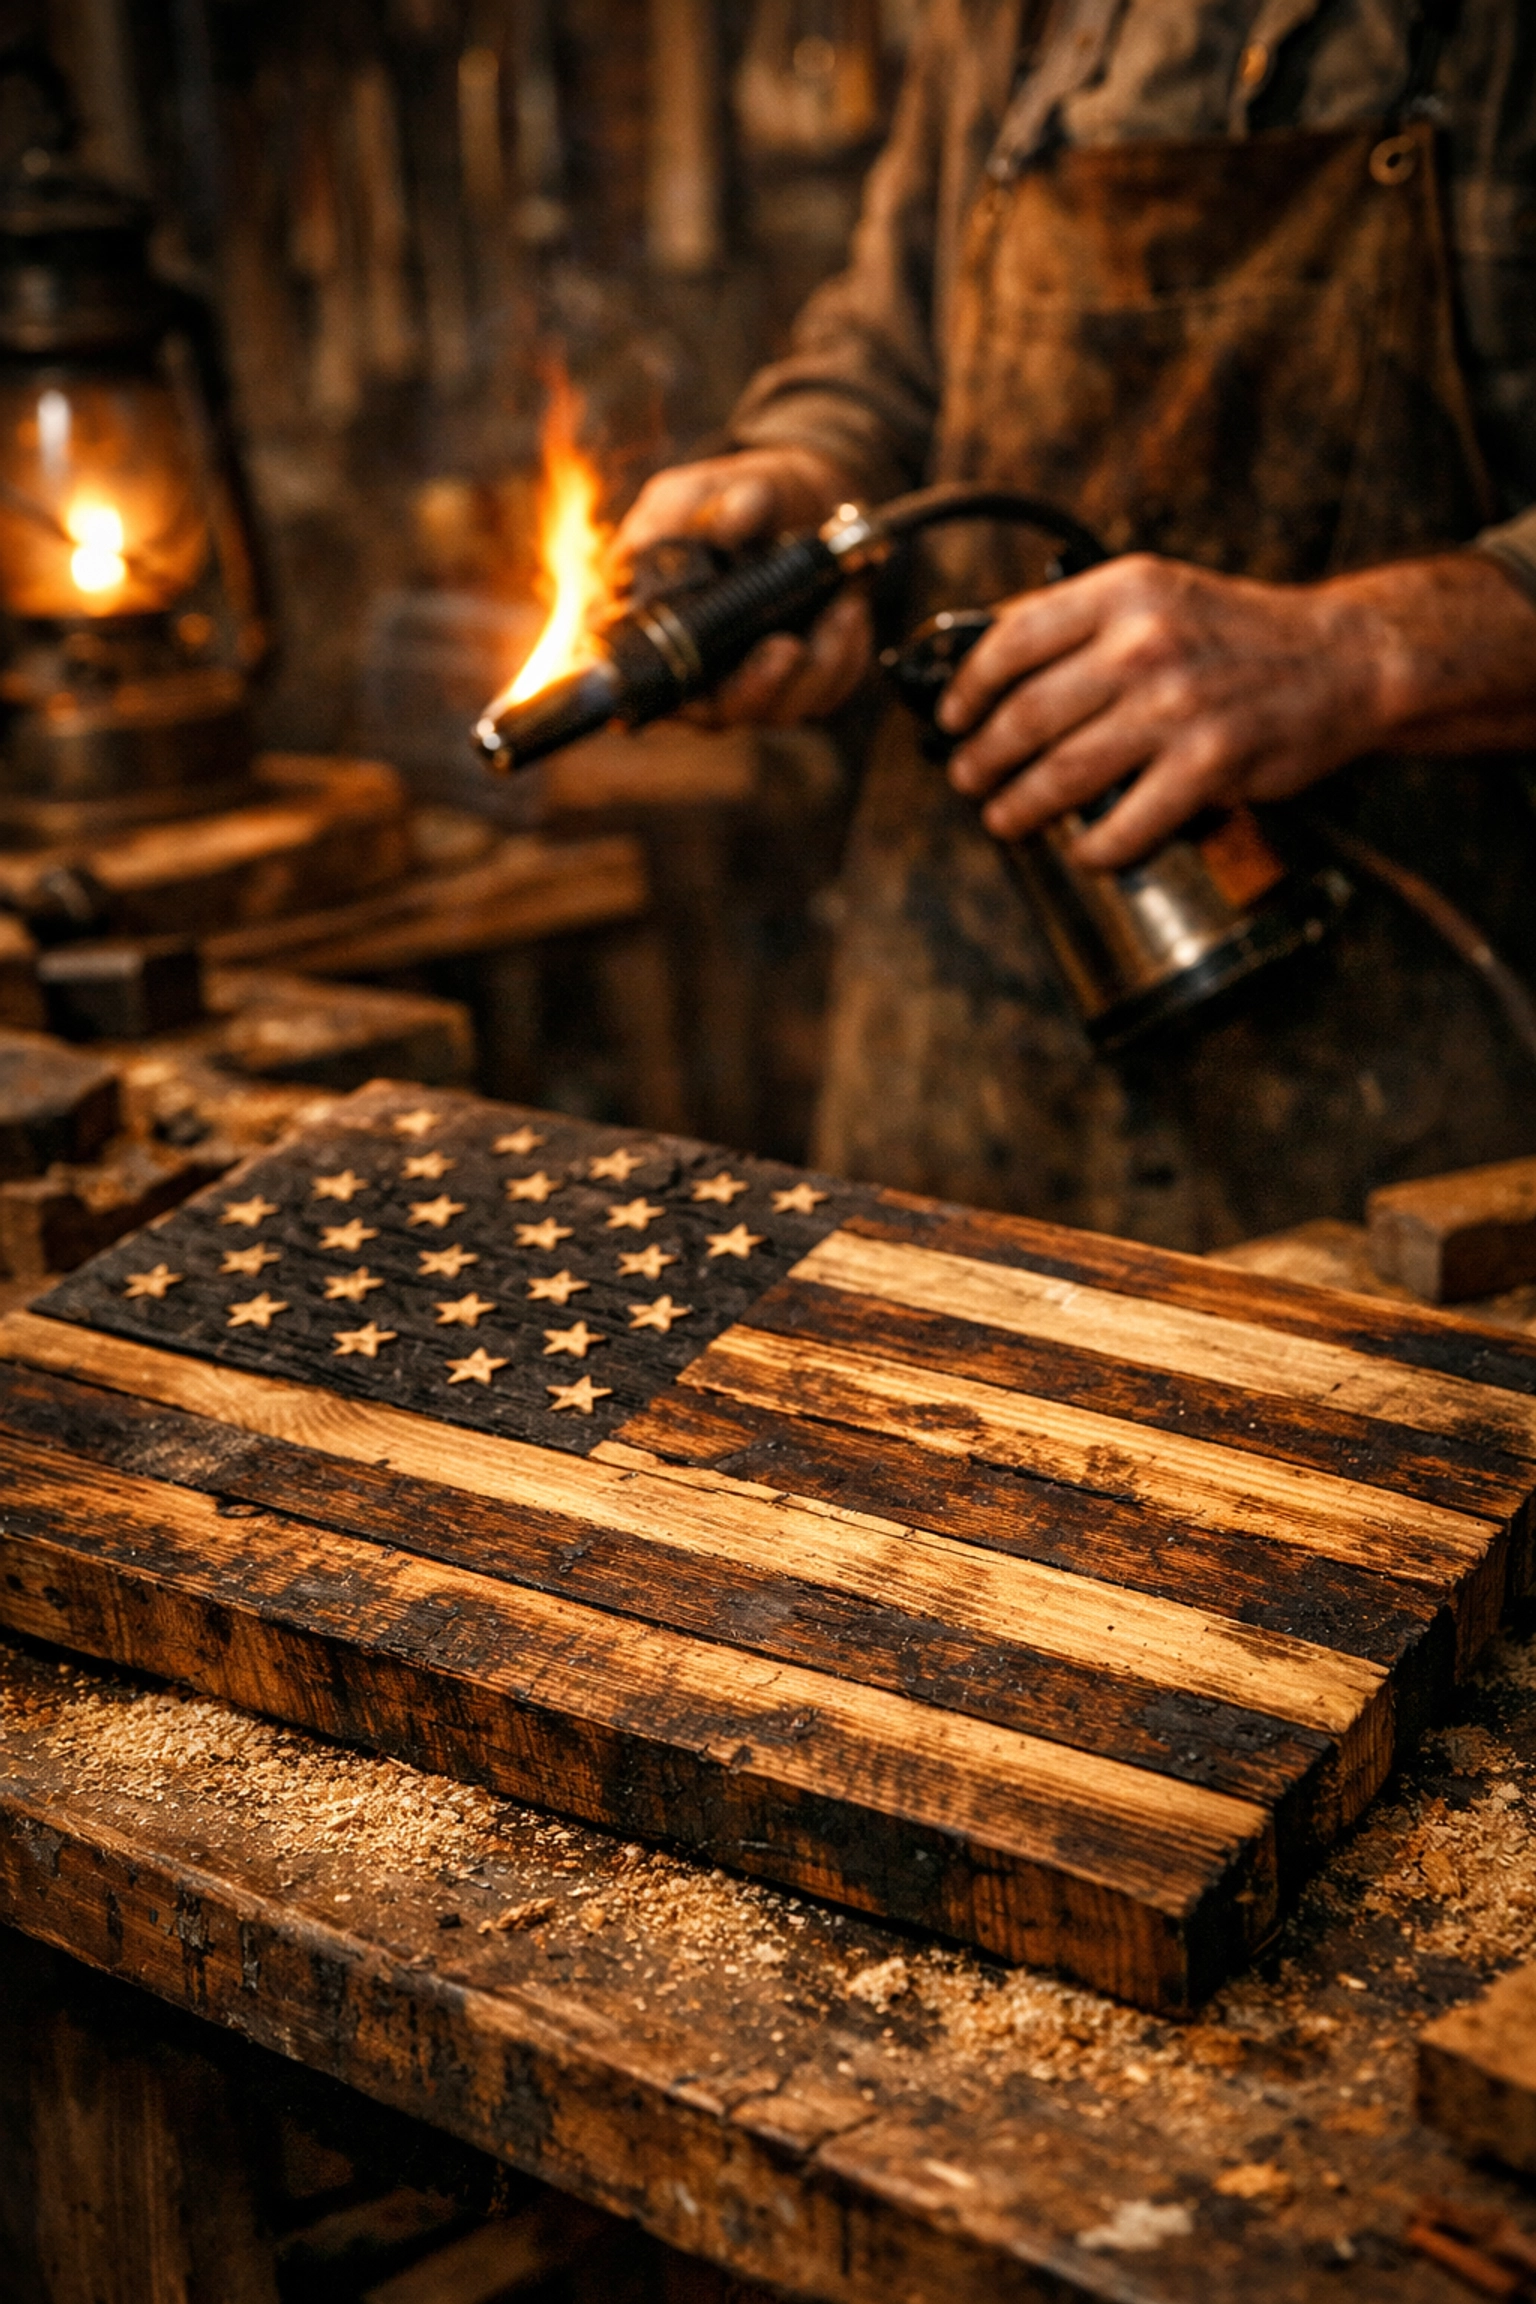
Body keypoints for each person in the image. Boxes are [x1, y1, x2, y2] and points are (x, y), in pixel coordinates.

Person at [616, 0, 1536, 1250]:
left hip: (1410, 1096)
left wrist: (1367, 653)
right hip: (961, 1044)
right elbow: (887, 350)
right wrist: (803, 475)